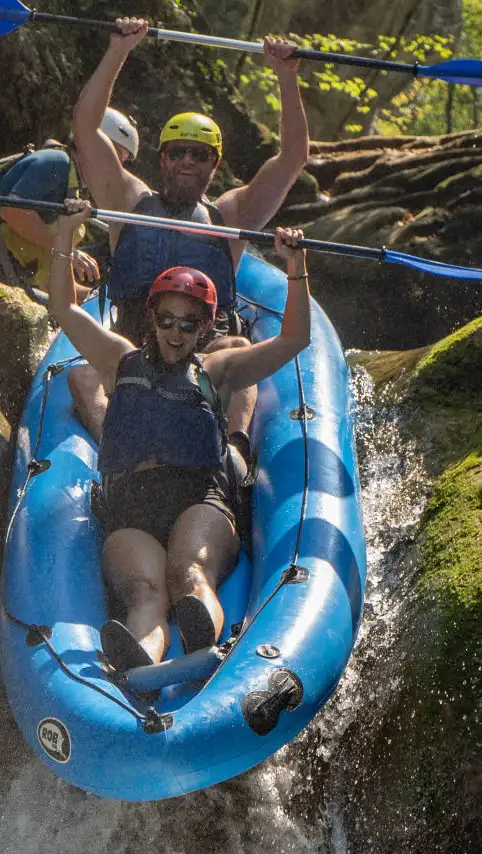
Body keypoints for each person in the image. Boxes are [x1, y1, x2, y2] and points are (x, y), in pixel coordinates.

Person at [45, 198, 313, 673]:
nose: (175, 333)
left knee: (189, 575)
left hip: (197, 499)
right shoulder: (118, 359)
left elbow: (294, 340)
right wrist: (66, 232)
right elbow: (64, 308)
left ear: (206, 326)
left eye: (189, 324)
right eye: (166, 320)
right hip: (131, 506)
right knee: (145, 593)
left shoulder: (218, 369)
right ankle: (138, 663)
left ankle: (203, 638)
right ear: (152, 317)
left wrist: (296, 266)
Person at [66, 19, 310, 474]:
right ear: (161, 158)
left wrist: (286, 76)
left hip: (203, 351)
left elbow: (293, 156)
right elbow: (85, 127)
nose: (185, 162)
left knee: (236, 343)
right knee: (81, 377)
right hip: (135, 347)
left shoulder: (233, 215)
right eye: (176, 152)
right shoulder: (126, 200)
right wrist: (119, 49)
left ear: (214, 164)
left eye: (198, 155)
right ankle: (118, 454)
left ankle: (232, 455)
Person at [0, 108, 140, 299]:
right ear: (90, 144)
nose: (116, 168)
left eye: (121, 162)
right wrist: (68, 251)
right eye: (114, 155)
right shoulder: (56, 162)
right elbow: (13, 210)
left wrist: (98, 298)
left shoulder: (72, 190)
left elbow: (53, 286)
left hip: (9, 274)